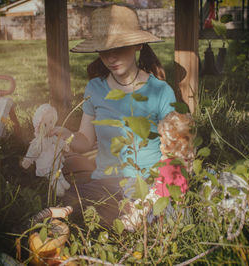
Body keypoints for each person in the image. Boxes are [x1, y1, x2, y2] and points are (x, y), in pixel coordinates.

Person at [51, 4, 176, 225]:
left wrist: (155, 193)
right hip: (106, 183)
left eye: (119, 47)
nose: (111, 57)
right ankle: (122, 220)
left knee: (151, 215)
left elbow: (173, 152)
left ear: (137, 45)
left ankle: (136, 219)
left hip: (146, 183)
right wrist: (65, 135)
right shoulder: (95, 89)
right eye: (104, 50)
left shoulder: (160, 91)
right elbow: (86, 140)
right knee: (69, 203)